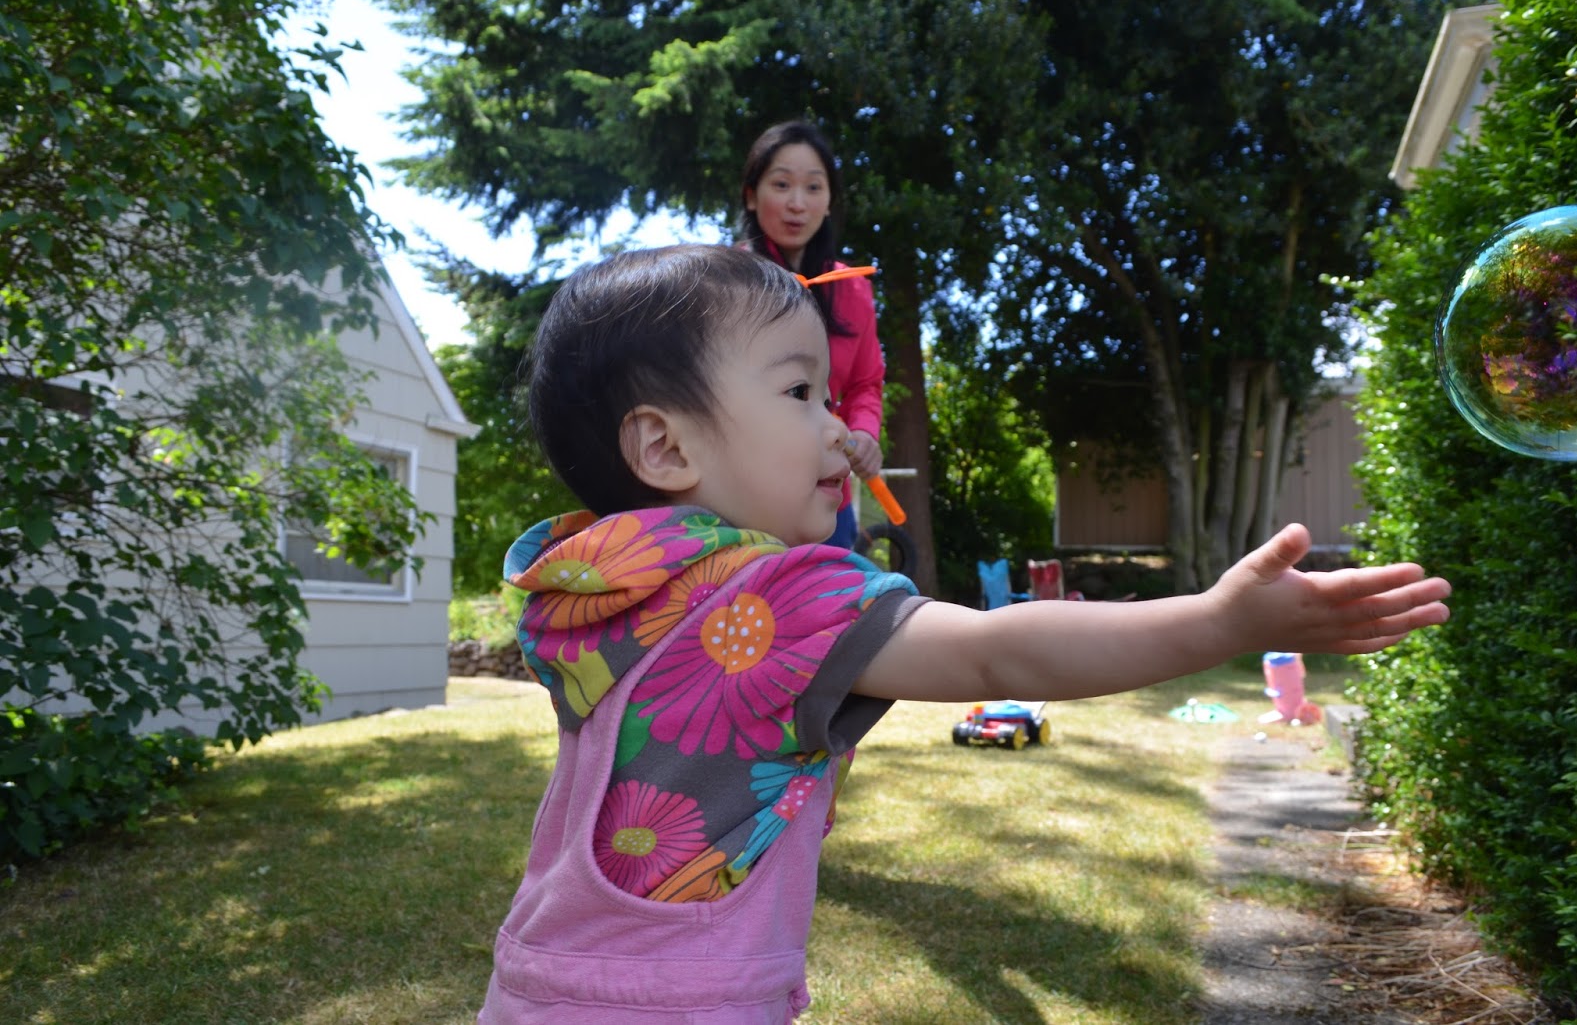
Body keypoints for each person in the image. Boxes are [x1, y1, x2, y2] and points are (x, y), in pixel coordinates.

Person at [478, 244, 1452, 1024]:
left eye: (832, 395)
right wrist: (1218, 621)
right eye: (799, 394)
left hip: (532, 986)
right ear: (664, 446)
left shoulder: (587, 585)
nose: (842, 431)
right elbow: (998, 651)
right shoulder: (774, 599)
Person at [738, 120, 883, 550]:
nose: (797, 204)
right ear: (751, 195)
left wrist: (865, 433)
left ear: (829, 201)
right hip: (743, 494)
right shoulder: (725, 281)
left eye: (814, 187)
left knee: (834, 595)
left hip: (827, 498)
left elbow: (866, 382)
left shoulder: (852, 287)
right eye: (781, 184)